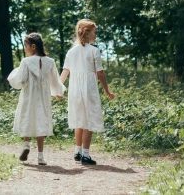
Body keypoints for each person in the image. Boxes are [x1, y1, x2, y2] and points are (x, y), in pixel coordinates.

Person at [60, 19, 115, 166]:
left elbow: (65, 71)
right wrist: (106, 89)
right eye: (95, 32)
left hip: (75, 90)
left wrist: (59, 89)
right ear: (88, 33)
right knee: (88, 120)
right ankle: (85, 154)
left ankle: (77, 152)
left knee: (79, 120)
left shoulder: (71, 52)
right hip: (88, 89)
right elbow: (100, 73)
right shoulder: (94, 51)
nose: (96, 35)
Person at [8, 32, 65, 166]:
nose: (24, 49)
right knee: (41, 121)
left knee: (27, 117)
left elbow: (20, 80)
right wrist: (58, 92)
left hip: (29, 95)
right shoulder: (50, 62)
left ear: (33, 46)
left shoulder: (26, 62)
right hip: (43, 97)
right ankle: (40, 157)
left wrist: (13, 76)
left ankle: (26, 144)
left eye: (25, 46)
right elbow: (55, 80)